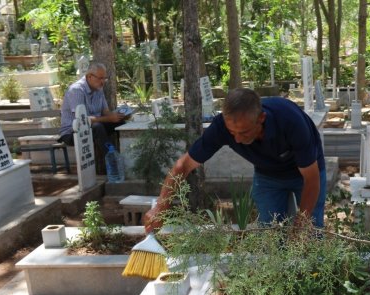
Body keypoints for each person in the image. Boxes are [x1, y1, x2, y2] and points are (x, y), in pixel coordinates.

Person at [145, 88, 326, 231]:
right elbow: (183, 166)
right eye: (233, 133)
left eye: (245, 132)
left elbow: (311, 179)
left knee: (309, 232)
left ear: (261, 118)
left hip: (306, 174)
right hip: (268, 176)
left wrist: (300, 226)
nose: (238, 140)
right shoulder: (221, 127)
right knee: (269, 232)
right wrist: (160, 208)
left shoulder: (290, 121)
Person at [58, 62, 127, 155]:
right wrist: (109, 119)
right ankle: (113, 159)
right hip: (72, 132)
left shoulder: (98, 88)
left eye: (104, 78)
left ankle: (125, 154)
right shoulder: (77, 90)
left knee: (120, 123)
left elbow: (105, 111)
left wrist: (118, 116)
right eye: (100, 78)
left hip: (93, 127)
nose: (103, 82)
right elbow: (82, 120)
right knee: (97, 127)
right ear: (89, 76)